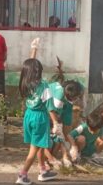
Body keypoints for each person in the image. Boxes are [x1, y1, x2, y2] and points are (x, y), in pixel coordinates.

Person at [29, 39, 84, 169]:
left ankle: (63, 156)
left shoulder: (75, 87)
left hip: (56, 112)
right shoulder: (54, 97)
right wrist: (55, 125)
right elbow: (53, 113)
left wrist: (72, 147)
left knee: (61, 134)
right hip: (43, 114)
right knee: (44, 140)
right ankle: (48, 160)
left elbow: (65, 131)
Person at [15, 57, 59, 185]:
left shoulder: (25, 83)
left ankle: (43, 171)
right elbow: (50, 107)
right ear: (39, 71)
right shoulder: (44, 85)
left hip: (28, 115)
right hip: (40, 118)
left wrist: (33, 49)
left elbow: (29, 62)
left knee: (38, 144)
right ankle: (22, 175)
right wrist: (56, 124)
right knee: (33, 149)